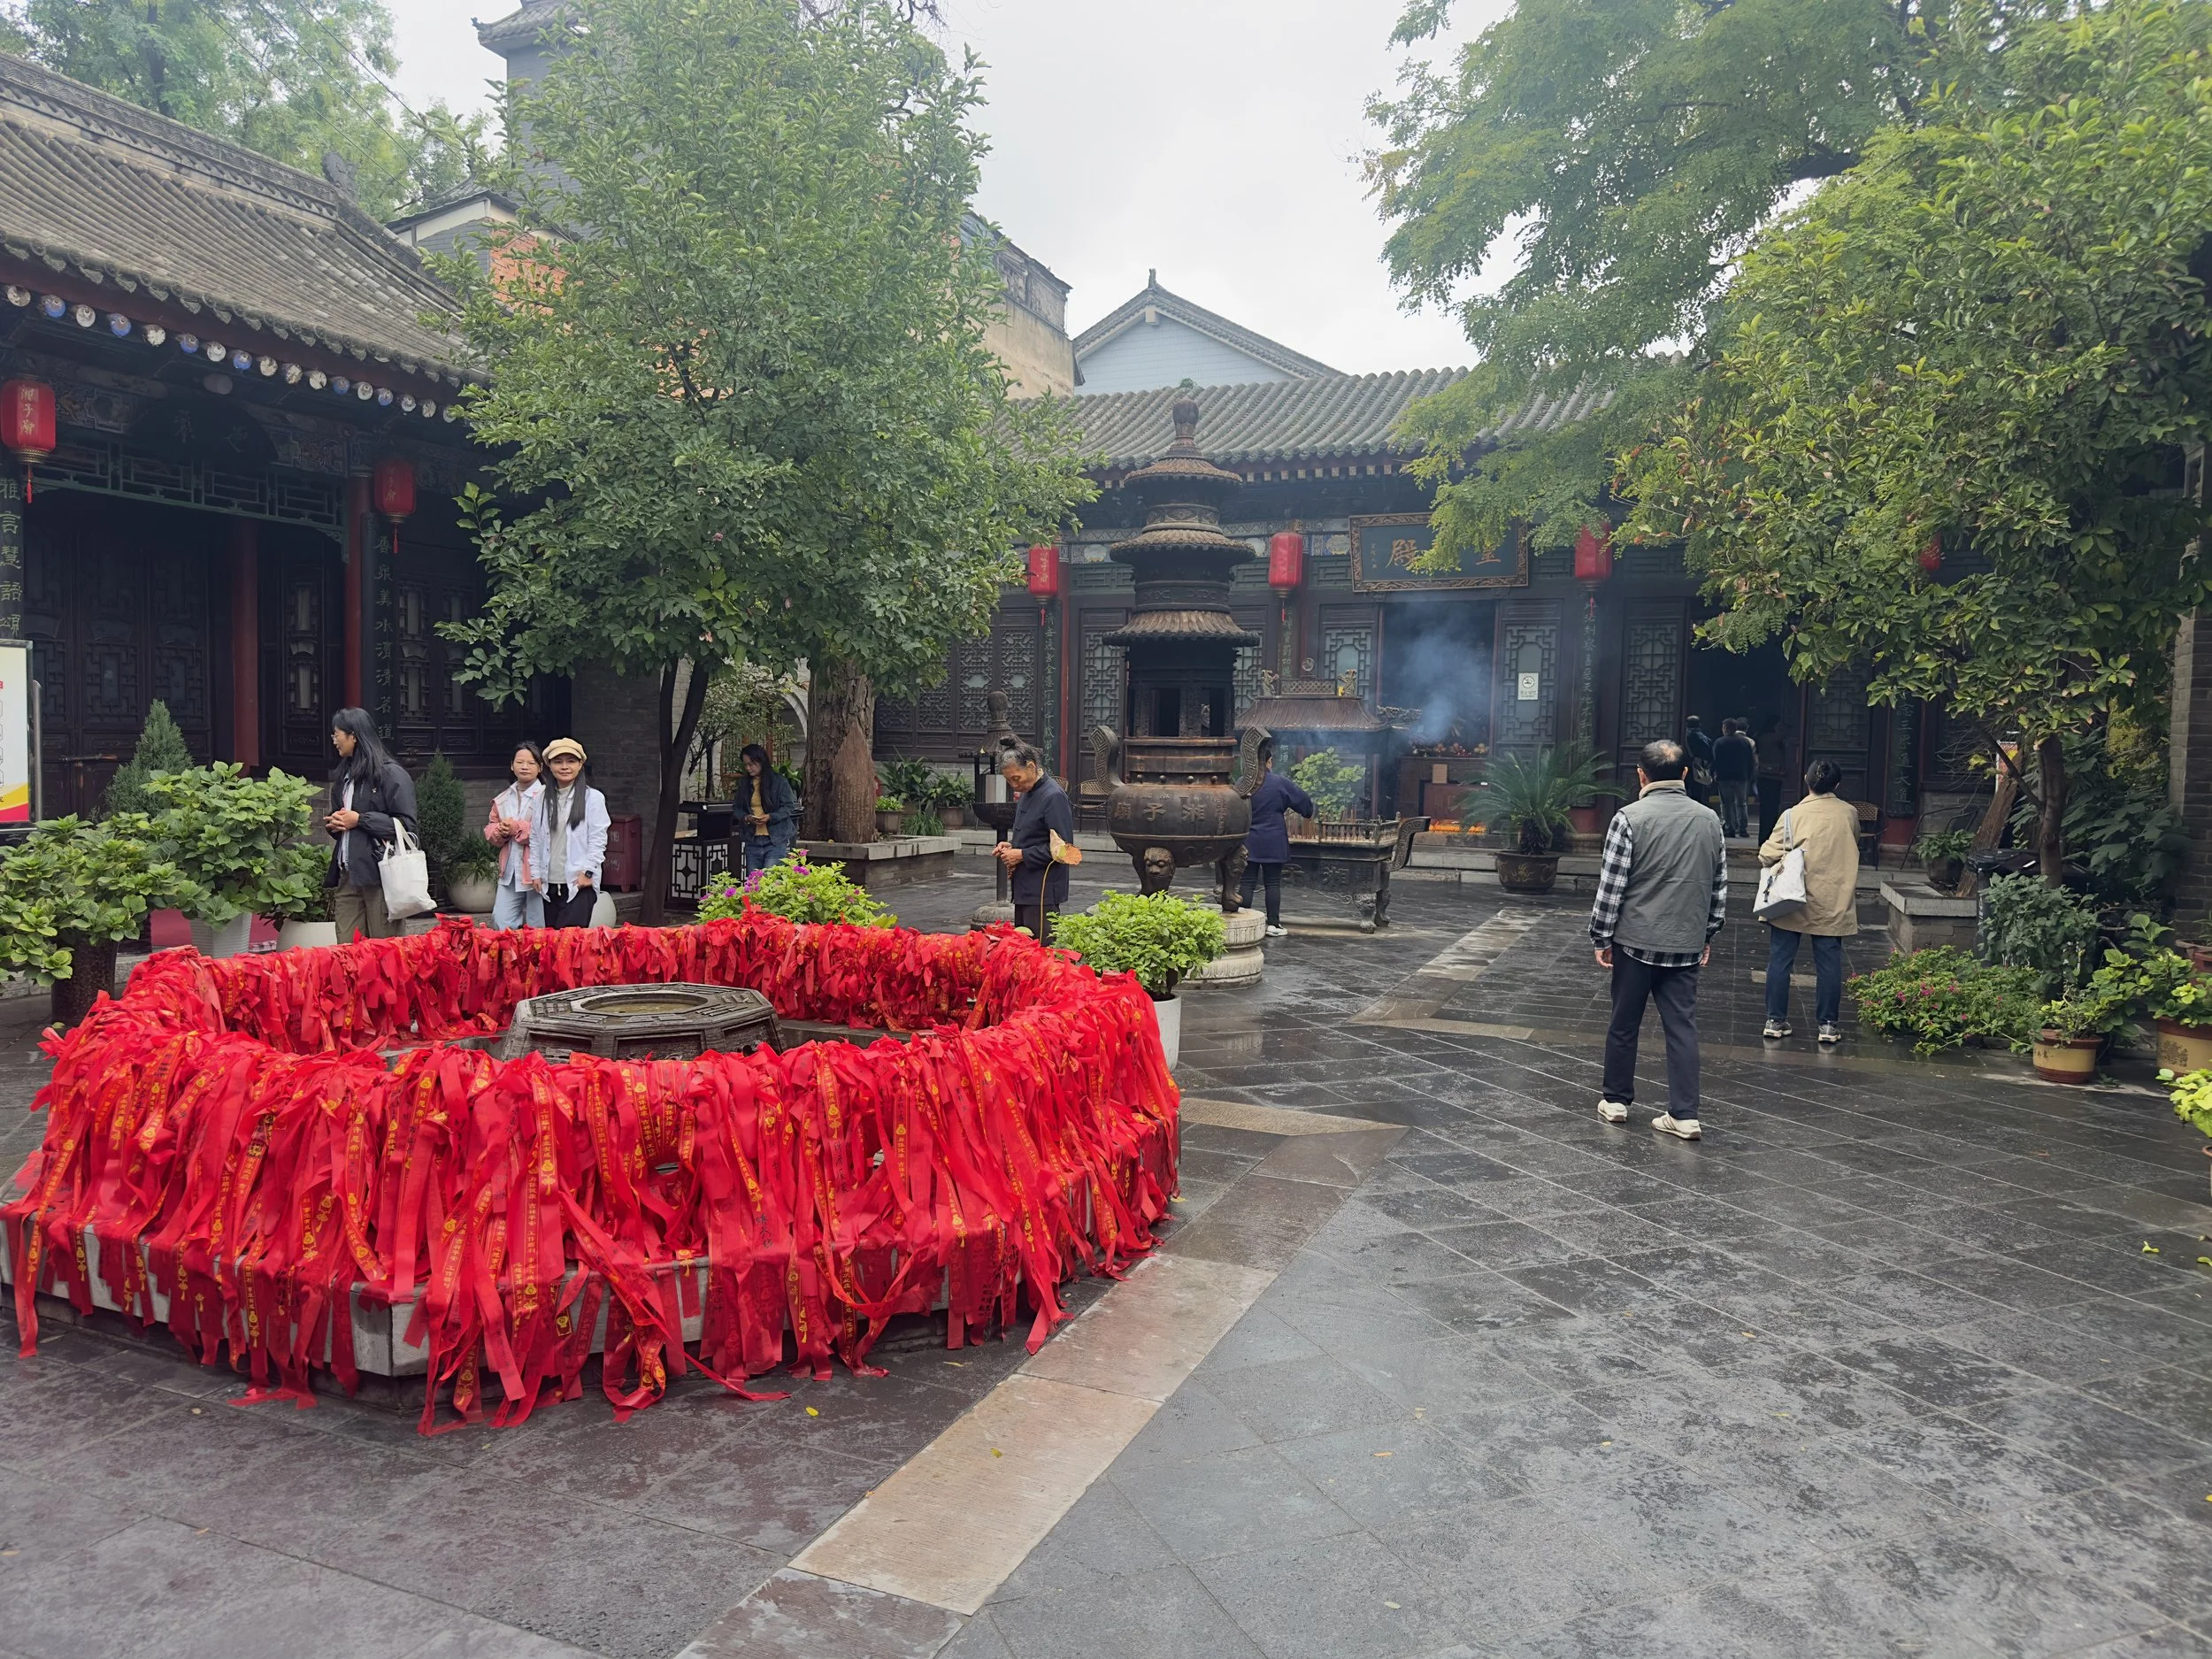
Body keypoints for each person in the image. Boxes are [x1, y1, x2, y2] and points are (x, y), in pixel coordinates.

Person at [1590, 738, 1728, 1141]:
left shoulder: (1628, 818)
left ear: (1641, 775)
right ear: (1685, 774)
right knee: (1682, 1027)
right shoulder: (1709, 820)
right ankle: (1684, 1114)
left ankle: (1616, 1101)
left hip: (1634, 941)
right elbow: (1718, 885)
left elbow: (1611, 887)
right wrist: (1708, 933)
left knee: (1624, 1023)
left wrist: (1602, 936)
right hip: (1685, 942)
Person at [1760, 758, 1861, 1046]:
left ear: (1806, 779)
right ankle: (1828, 1026)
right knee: (1829, 964)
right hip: (1833, 897)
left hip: (1792, 896)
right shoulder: (1849, 814)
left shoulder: (1792, 815)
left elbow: (1766, 854)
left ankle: (1774, 1021)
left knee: (1780, 960)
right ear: (1837, 785)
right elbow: (1853, 843)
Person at [323, 707, 419, 942]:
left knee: (384, 951)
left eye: (337, 734)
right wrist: (336, 823)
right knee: (347, 952)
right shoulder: (344, 776)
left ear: (353, 735)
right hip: (348, 873)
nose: (334, 741)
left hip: (381, 875)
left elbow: (407, 827)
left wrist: (360, 820)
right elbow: (346, 822)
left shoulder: (391, 774)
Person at [994, 742, 1073, 942]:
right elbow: (1034, 835)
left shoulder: (1053, 796)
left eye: (1016, 778)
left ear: (1031, 767)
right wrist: (1012, 845)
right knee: (1023, 950)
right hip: (1025, 888)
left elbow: (1065, 850)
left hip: (1043, 890)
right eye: (1009, 781)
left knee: (1042, 955)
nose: (1014, 785)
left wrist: (1021, 855)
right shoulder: (1028, 792)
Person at [1240, 741, 1314, 938]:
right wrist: (1307, 812)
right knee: (1272, 882)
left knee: (1247, 881)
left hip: (1247, 840)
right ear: (1269, 762)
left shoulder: (1241, 784)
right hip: (1273, 839)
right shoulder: (1280, 783)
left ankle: (1243, 921)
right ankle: (1273, 924)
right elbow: (1305, 804)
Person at [540, 738, 611, 930]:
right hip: (550, 883)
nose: (564, 766)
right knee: (552, 946)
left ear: (580, 764)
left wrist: (588, 872)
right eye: (558, 761)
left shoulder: (593, 798)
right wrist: (536, 873)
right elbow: (536, 838)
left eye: (571, 761)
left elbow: (598, 838)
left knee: (570, 945)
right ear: (549, 765)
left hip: (579, 882)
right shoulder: (541, 798)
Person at [484, 742, 548, 930]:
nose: (525, 767)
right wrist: (500, 831)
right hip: (510, 870)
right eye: (520, 762)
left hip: (538, 870)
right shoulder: (503, 798)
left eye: (531, 762)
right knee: (501, 921)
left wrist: (516, 828)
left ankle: (537, 959)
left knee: (539, 924)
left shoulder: (547, 796)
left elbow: (547, 831)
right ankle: (511, 959)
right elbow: (490, 827)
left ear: (540, 768)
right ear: (512, 765)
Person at [730, 743, 797, 874]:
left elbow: (788, 807)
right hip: (752, 840)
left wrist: (771, 817)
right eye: (746, 765)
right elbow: (737, 808)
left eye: (751, 764)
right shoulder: (744, 783)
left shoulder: (779, 782)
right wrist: (746, 817)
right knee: (754, 884)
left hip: (775, 841)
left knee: (768, 883)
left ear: (761, 761)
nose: (748, 768)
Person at [1713, 718, 1757, 840]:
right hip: (1741, 777)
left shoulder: (1720, 742)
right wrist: (1749, 775)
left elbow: (1715, 760)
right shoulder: (1745, 742)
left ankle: (1729, 828)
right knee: (1742, 803)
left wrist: (1714, 774)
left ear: (1726, 728)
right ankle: (1743, 829)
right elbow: (1750, 761)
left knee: (1726, 804)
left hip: (1724, 777)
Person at [1755, 715, 1789, 841]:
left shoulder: (1761, 737)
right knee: (1772, 808)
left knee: (1766, 808)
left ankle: (1763, 837)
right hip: (1773, 776)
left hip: (1764, 775)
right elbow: (1785, 734)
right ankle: (1769, 836)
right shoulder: (1772, 738)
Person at [1683, 714, 1717, 806]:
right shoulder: (1701, 736)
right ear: (1699, 724)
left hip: (1695, 762)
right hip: (1702, 762)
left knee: (1695, 784)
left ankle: (1694, 803)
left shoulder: (1690, 735)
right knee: (1699, 783)